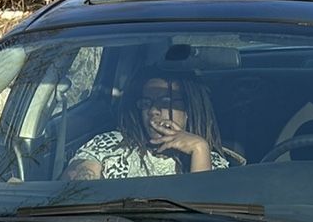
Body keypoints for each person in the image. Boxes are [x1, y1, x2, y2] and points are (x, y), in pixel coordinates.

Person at [67, 70, 232, 180]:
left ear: (188, 110)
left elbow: (205, 217)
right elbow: (74, 194)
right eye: (146, 103)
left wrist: (199, 148)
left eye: (166, 101)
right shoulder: (109, 145)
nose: (153, 111)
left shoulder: (209, 160)